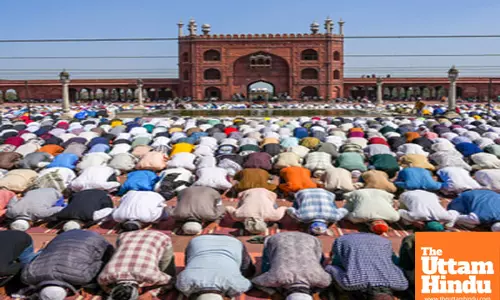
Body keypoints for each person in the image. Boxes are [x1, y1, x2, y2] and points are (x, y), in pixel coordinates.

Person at [20, 230, 114, 300]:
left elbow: (101, 264)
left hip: (94, 239)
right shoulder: (28, 276)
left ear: (67, 291)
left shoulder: (82, 277)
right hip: (62, 237)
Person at [326, 233, 408, 299]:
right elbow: (331, 268)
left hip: (380, 241)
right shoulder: (350, 283)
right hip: (345, 241)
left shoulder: (401, 284)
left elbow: (398, 267)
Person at [98, 231, 175, 300]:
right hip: (125, 236)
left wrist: (151, 293)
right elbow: (105, 287)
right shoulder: (104, 277)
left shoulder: (151, 275)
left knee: (168, 272)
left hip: (160, 237)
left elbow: (172, 281)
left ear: (138, 290)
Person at [252, 232, 331, 300]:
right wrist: (273, 293)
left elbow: (328, 283)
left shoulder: (322, 279)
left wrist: (316, 292)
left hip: (311, 239)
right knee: (265, 267)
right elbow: (256, 282)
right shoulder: (275, 278)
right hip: (276, 239)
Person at [176, 235, 255, 300]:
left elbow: (249, 284)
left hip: (232, 242)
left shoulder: (236, 285)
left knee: (248, 272)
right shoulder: (184, 283)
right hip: (199, 240)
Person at [50, 189, 115, 231]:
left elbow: (109, 210)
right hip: (79, 193)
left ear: (81, 225)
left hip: (101, 193)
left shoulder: (92, 216)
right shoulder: (62, 214)